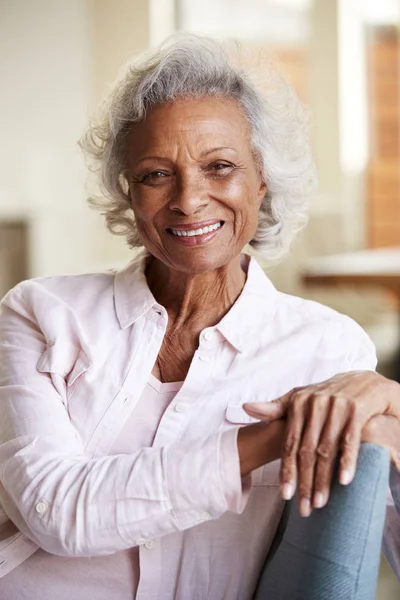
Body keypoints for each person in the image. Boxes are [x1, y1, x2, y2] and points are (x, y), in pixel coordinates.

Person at [0, 35, 399, 600]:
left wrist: (391, 413)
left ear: (262, 180)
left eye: (220, 166)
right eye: (156, 174)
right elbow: (55, 509)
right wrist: (277, 435)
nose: (189, 199)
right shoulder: (41, 311)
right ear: (129, 192)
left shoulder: (328, 350)